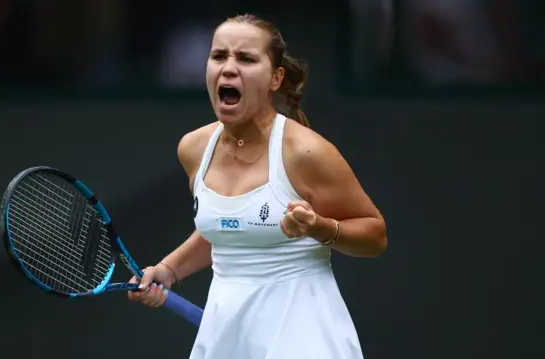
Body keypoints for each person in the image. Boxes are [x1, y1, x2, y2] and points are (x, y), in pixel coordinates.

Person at [128, 14, 387, 359]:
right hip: (226, 337)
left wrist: (320, 228)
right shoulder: (193, 149)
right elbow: (226, 227)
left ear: (275, 78)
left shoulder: (306, 152)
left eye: (246, 59)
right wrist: (169, 269)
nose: (228, 68)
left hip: (304, 337)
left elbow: (375, 236)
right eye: (219, 56)